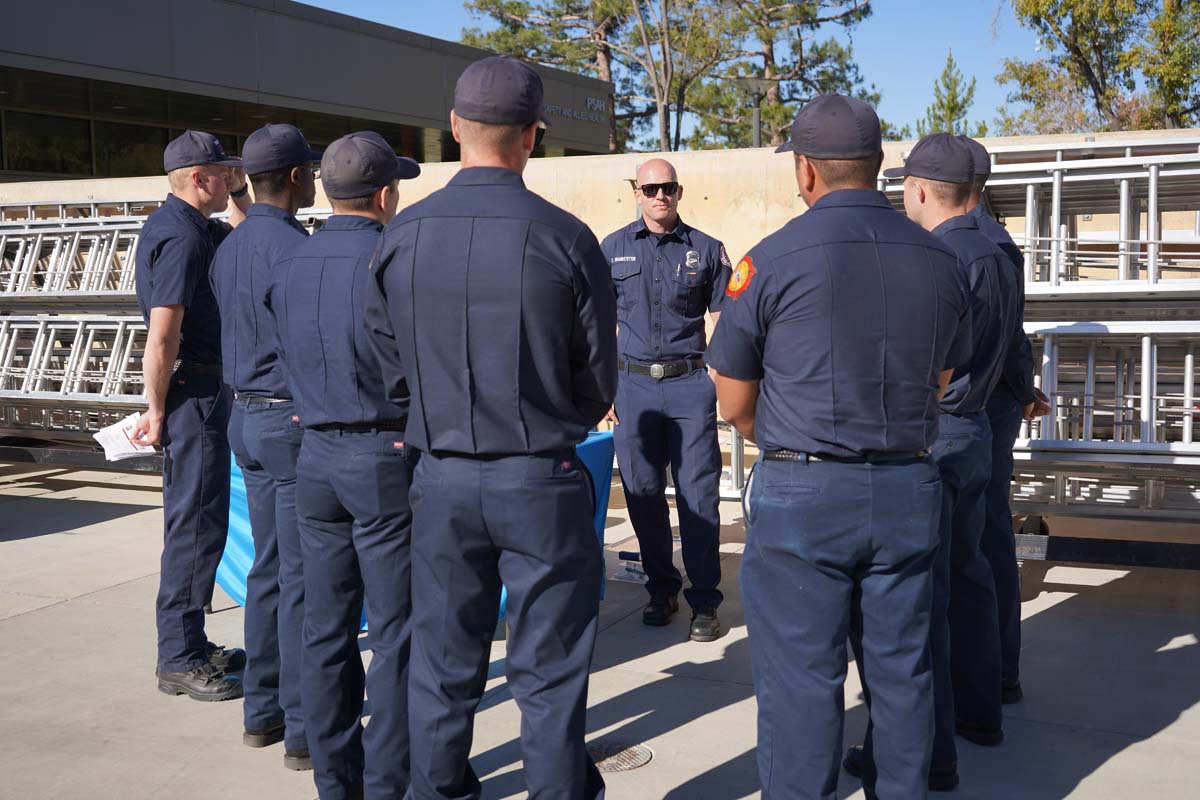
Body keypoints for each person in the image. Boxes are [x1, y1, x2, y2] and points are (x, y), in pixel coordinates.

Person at [706, 95, 972, 800]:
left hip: (804, 495)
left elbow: (732, 400)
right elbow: (943, 379)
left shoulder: (769, 260)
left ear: (805, 170)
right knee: (903, 673)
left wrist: (792, 445)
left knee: (801, 683)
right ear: (882, 165)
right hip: (908, 485)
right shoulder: (942, 261)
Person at [367, 56, 616, 800]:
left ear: (453, 128)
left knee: (443, 667)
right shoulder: (567, 238)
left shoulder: (401, 235)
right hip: (538, 476)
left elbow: (388, 367)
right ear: (532, 136)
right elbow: (598, 375)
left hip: (440, 474)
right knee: (548, 674)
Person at [846, 133, 1024, 793]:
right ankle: (982, 713)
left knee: (920, 603)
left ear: (919, 188)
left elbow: (918, 355)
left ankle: (926, 753)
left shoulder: (943, 255)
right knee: (970, 577)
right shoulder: (998, 248)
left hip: (941, 432)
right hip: (975, 428)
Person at [268, 131, 421, 799]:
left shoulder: (291, 264)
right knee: (395, 631)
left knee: (326, 626)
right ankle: (387, 781)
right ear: (385, 194)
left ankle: (336, 781)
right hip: (381, 454)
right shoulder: (391, 259)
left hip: (317, 455)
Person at [209, 123, 319, 766]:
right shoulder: (292, 246)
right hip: (284, 420)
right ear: (298, 176)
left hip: (245, 418)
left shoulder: (231, 244)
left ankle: (263, 710)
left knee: (270, 569)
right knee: (301, 574)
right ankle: (303, 728)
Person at [133, 130, 250, 702]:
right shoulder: (179, 236)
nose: (232, 179)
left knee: (203, 524)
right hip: (192, 393)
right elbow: (162, 336)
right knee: (195, 529)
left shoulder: (198, 227)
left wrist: (245, 194)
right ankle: (178, 658)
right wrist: (155, 410)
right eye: (225, 172)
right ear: (200, 178)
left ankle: (193, 644)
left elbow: (255, 241)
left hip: (204, 389)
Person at [600, 159, 731, 641]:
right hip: (631, 387)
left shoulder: (707, 250)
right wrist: (600, 389)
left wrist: (723, 377)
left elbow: (726, 319)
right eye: (650, 187)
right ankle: (661, 589)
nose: (660, 195)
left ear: (679, 191)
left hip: (688, 386)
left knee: (699, 495)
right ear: (637, 192)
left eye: (668, 187)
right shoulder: (611, 249)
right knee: (642, 493)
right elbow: (592, 325)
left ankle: (704, 602)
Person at [961, 136, 1050, 704]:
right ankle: (1000, 670)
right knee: (988, 536)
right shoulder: (995, 241)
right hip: (996, 401)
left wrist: (1017, 392)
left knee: (982, 539)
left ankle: (992, 672)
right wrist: (1022, 390)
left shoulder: (974, 246)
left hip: (977, 406)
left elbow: (1004, 334)